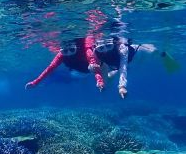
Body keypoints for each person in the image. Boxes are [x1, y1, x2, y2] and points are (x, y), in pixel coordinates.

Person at [25, 11, 158, 98]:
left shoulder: (93, 50)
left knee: (152, 51)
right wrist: (35, 82)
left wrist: (106, 83)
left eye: (71, 50)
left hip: (115, 61)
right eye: (65, 51)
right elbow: (49, 69)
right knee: (100, 74)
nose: (68, 54)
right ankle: (112, 72)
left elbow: (95, 64)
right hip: (99, 67)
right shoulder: (62, 55)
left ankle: (160, 53)